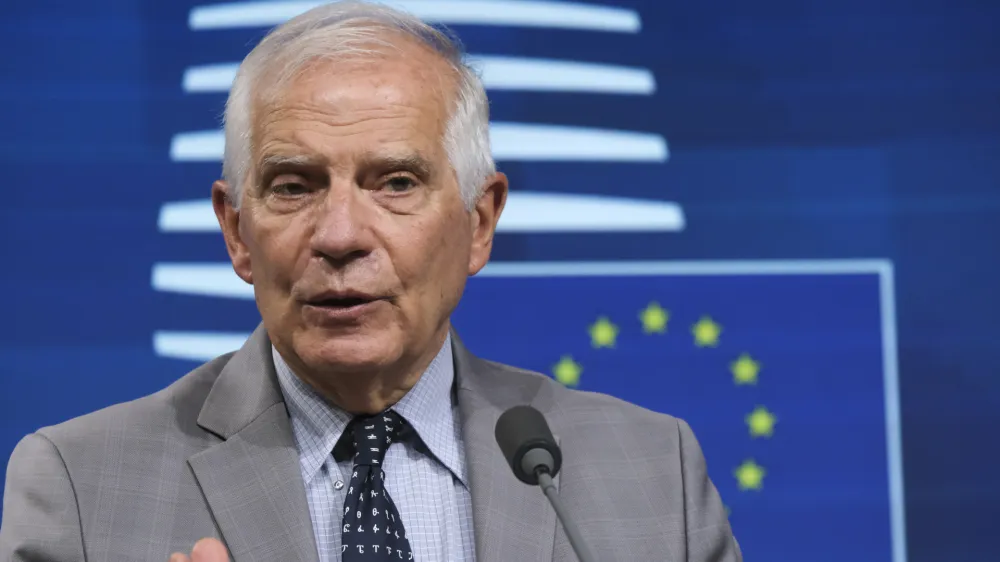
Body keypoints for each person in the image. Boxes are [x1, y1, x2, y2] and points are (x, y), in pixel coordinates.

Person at [0, 2, 741, 561]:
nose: (341, 235)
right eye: (293, 185)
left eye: (394, 182)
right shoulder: (80, 488)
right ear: (236, 232)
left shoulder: (649, 473)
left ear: (479, 222)